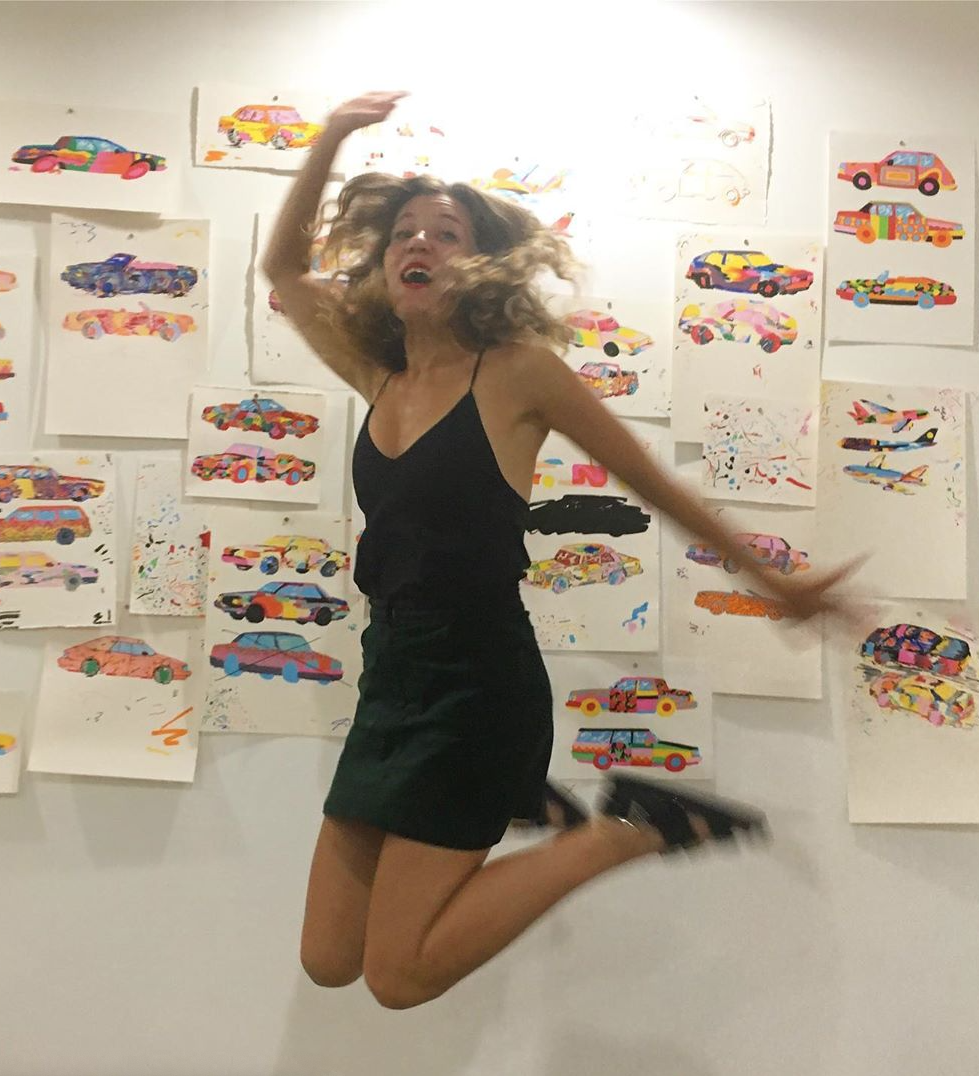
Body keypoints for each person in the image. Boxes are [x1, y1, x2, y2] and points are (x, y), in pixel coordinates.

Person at [263, 91, 851, 1011]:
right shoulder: (378, 375)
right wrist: (332, 137)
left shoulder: (517, 374)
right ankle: (545, 808)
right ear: (382, 263)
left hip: (476, 684)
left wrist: (775, 579)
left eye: (446, 234)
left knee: (398, 976)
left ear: (481, 264)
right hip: (392, 679)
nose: (420, 244)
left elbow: (654, 483)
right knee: (329, 958)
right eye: (404, 234)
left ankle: (625, 829)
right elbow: (282, 269)